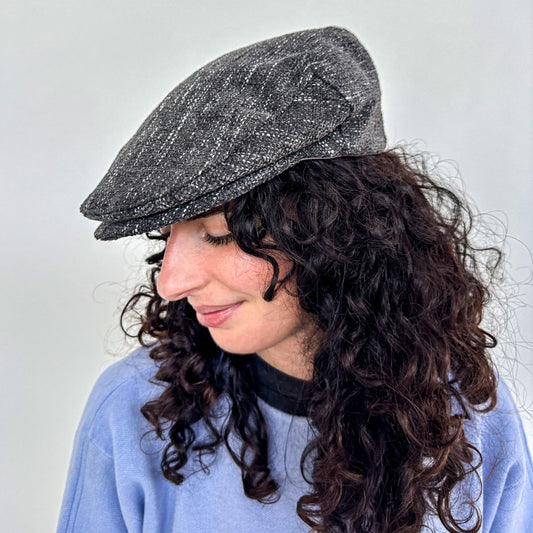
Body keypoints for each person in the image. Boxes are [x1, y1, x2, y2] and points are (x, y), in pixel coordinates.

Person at [57, 27, 533, 533]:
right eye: (166, 235)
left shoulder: (469, 423)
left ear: (335, 231)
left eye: (220, 233)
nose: (169, 284)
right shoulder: (135, 412)